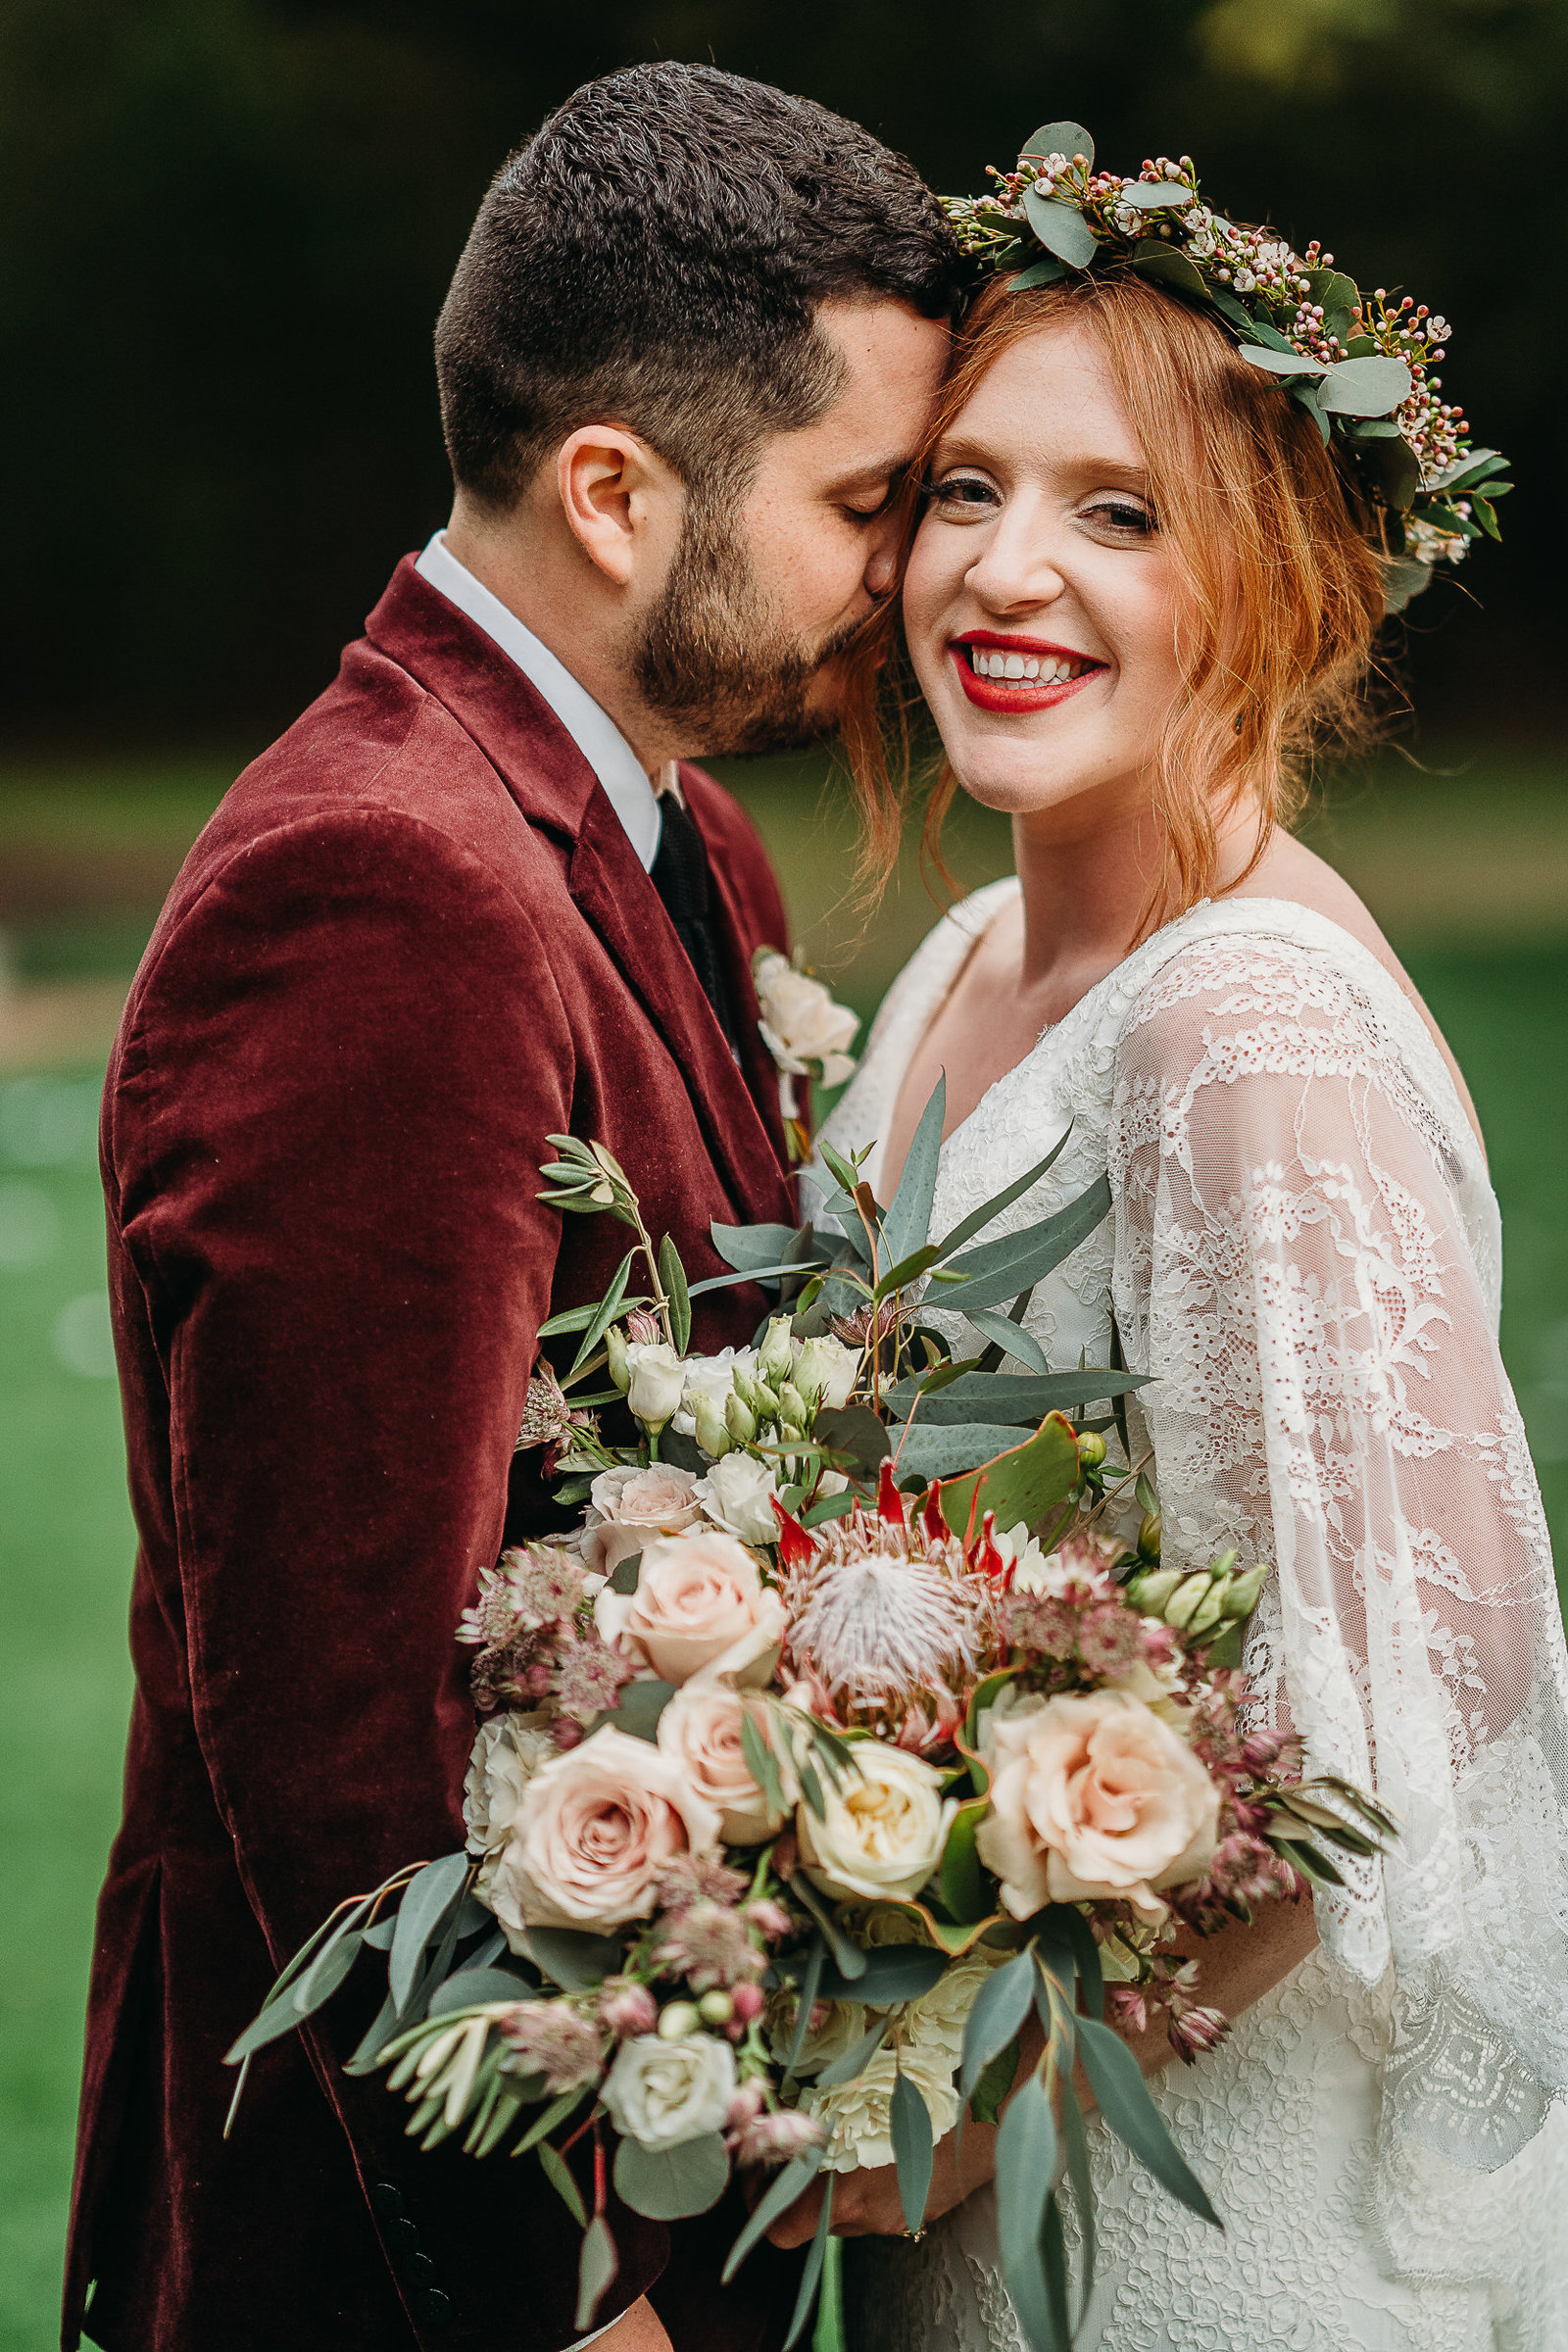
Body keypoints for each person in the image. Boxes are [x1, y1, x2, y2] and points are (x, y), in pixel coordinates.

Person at [64, 63, 956, 2352]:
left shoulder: (675, 827)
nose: (914, 567)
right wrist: (552, 2291)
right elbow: (341, 1722)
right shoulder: (380, 888)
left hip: (677, 2156)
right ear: (612, 491)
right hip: (426, 2250)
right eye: (868, 498)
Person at [789, 192, 1568, 2347]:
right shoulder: (963, 960)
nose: (1003, 571)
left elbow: (1411, 1707)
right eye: (963, 489)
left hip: (1180, 2207)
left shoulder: (1241, 1031)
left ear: (1272, 581)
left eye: (1113, 511)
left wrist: (954, 2121)